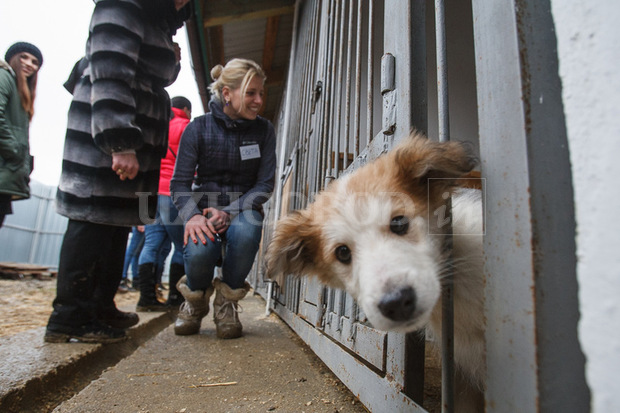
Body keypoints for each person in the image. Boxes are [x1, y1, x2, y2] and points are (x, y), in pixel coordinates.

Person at [45, 0, 192, 344]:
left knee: (115, 224)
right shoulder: (124, 4)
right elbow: (110, 68)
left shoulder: (157, 21)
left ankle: (98, 306)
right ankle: (68, 317)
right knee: (91, 218)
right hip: (108, 138)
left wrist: (173, 58)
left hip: (137, 136)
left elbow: (155, 74)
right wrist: (119, 141)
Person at [170, 58, 276, 339]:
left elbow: (264, 184)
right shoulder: (198, 128)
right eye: (251, 93)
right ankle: (194, 303)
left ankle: (226, 303)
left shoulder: (264, 130)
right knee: (201, 248)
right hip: (203, 209)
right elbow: (179, 183)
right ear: (227, 93)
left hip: (244, 207)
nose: (258, 101)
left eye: (261, 94)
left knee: (246, 232)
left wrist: (229, 210)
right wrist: (192, 216)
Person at [136, 96, 191, 311]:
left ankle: (146, 298)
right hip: (171, 192)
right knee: (181, 245)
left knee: (151, 245)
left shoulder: (156, 125)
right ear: (185, 109)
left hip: (148, 192)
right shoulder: (187, 127)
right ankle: (175, 299)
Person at [0, 42, 43, 228]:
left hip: (7, 170)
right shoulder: (4, 76)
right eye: (24, 57)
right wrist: (14, 151)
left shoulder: (22, 91)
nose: (29, 64)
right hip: (6, 163)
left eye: (35, 62)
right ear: (12, 58)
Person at [119, 225, 145, 292]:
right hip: (142, 221)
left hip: (145, 222)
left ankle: (135, 280)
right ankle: (122, 278)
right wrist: (140, 223)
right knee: (132, 251)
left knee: (137, 252)